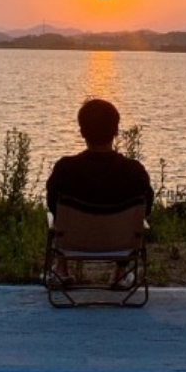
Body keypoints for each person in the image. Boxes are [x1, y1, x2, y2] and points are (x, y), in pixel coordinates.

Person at [45, 98, 154, 287]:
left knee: (57, 220)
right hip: (121, 245)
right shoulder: (134, 171)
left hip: (73, 244)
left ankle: (61, 268)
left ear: (81, 132)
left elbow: (52, 204)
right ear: (116, 131)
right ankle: (121, 272)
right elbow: (146, 209)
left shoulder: (65, 169)